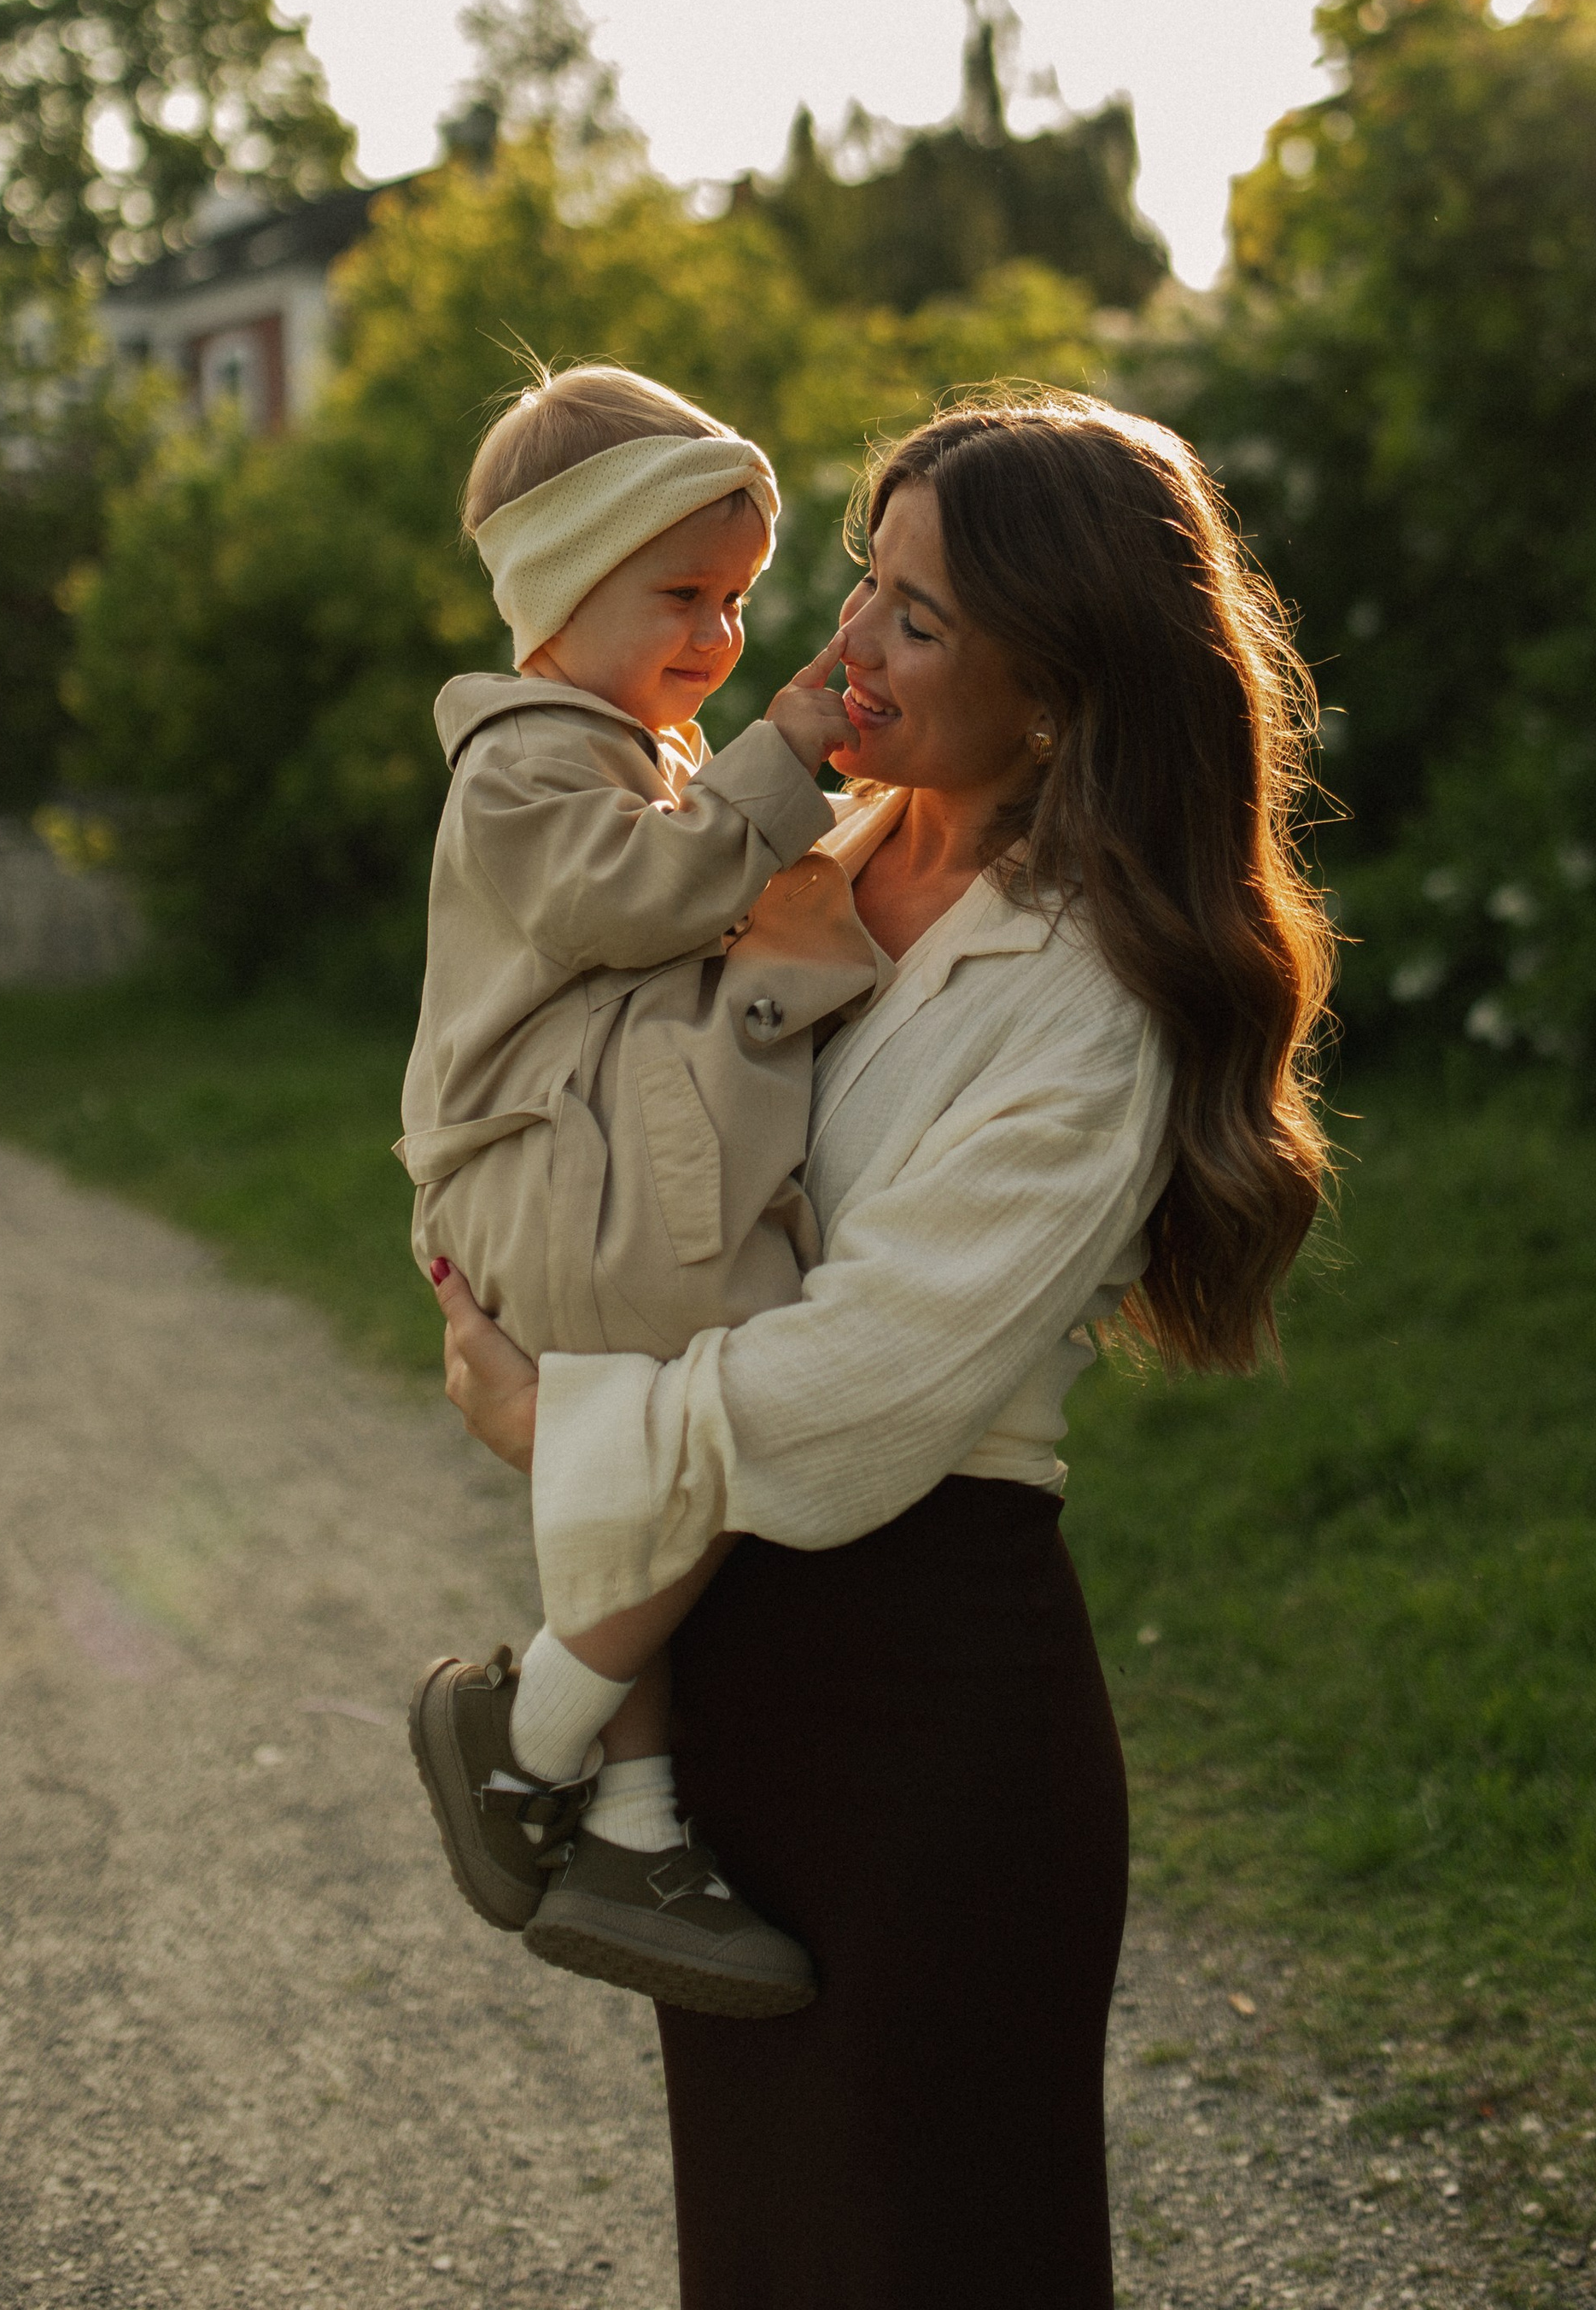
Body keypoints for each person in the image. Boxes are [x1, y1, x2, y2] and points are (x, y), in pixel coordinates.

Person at [432, 389, 1336, 2310]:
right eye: (864, 580)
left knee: (924, 2257)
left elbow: (863, 1401)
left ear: (1063, 686)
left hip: (919, 1707)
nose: (842, 643)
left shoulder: (1094, 998)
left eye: (916, 619)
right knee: (760, 2260)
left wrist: (561, 1413)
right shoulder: (802, 840)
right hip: (733, 1685)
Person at [402, 360, 880, 2017]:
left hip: (573, 1166)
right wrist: (781, 760)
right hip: (541, 1168)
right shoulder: (526, 763)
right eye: (678, 593)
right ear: (556, 589)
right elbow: (633, 905)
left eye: (739, 600)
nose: (718, 637)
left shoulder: (629, 750)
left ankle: (626, 1821)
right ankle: (523, 1724)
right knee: (725, 1395)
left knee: (637, 1453)